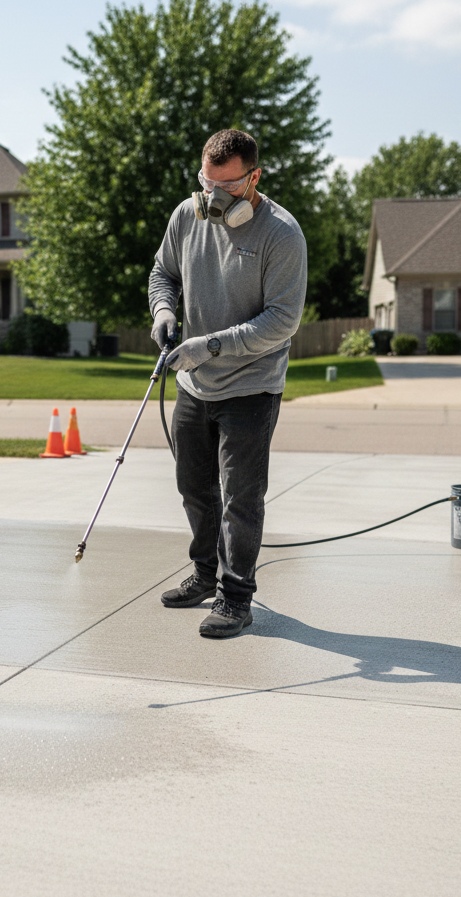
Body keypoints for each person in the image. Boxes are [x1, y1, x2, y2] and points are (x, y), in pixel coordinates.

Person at [148, 129, 307, 638]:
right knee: (193, 487)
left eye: (227, 188)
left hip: (251, 388)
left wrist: (209, 346)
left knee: (240, 497)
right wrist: (164, 309)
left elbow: (282, 321)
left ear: (254, 178)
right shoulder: (185, 217)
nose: (212, 199)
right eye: (206, 184)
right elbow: (162, 273)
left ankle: (236, 598)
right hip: (196, 386)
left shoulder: (281, 234)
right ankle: (203, 574)